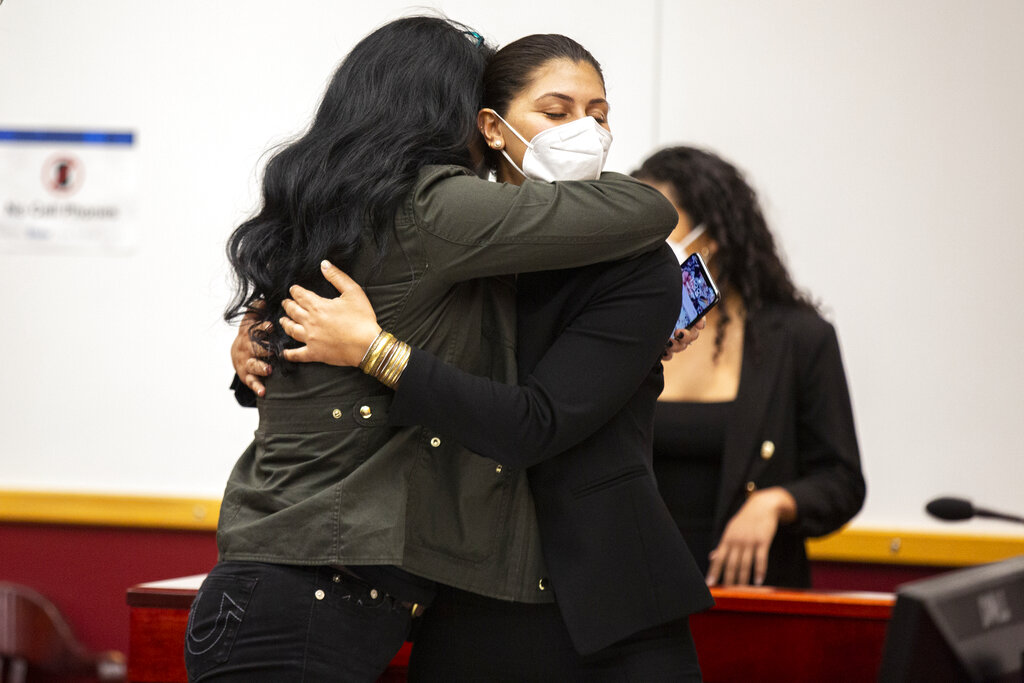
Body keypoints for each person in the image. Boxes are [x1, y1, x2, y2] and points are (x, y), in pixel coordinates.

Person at [196, 17, 682, 683]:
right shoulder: (435, 211)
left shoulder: (335, 206)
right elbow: (649, 211)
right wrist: (372, 350)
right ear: (477, 120)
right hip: (323, 584)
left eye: (599, 113)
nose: (586, 132)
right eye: (556, 110)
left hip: (306, 573)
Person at [632, 146, 866, 588]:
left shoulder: (798, 338)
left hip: (750, 593)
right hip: (638, 590)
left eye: (660, 228)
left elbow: (843, 481)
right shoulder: (625, 335)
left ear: (712, 237)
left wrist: (776, 502)